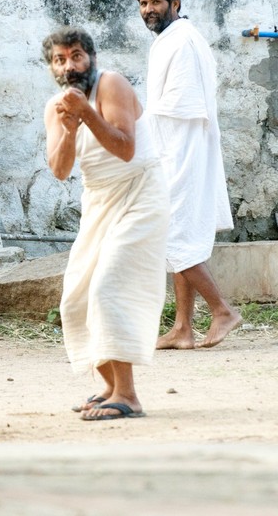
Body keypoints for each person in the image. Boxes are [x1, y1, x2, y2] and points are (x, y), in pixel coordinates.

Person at [41, 26, 169, 421]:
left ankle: (128, 396)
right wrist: (69, 125)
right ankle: (109, 386)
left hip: (139, 193)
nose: (69, 66)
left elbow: (126, 149)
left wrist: (87, 113)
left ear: (91, 58)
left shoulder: (110, 84)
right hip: (98, 202)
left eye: (76, 56)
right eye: (60, 60)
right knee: (76, 296)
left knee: (108, 286)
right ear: (51, 67)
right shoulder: (54, 107)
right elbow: (60, 170)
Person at [135, 0, 242, 350]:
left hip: (180, 152)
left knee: (173, 236)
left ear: (175, 3)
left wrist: (138, 137)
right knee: (180, 238)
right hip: (174, 149)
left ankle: (223, 311)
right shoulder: (170, 39)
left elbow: (178, 105)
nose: (149, 9)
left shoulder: (182, 42)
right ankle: (183, 328)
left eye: (156, 2)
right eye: (144, 3)